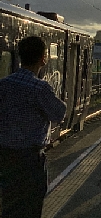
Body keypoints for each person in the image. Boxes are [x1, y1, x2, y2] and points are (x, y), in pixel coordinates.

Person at [0, 36, 67, 218]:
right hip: (29, 160)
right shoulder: (40, 88)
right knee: (30, 207)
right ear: (43, 58)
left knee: (8, 206)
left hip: (4, 157)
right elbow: (59, 114)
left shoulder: (3, 85)